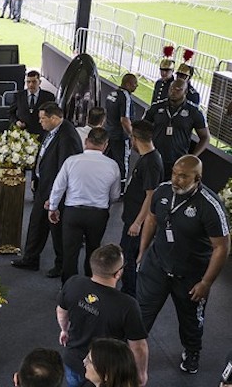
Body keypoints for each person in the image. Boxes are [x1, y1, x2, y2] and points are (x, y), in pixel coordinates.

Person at [136, 155, 230, 375]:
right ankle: (132, 349)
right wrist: (143, 251)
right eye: (174, 174)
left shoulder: (210, 206)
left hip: (191, 276)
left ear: (197, 178)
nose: (176, 180)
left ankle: (192, 351)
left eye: (183, 176)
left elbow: (222, 248)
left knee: (190, 321)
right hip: (157, 266)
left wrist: (206, 282)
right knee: (141, 312)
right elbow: (151, 219)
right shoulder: (162, 191)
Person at [57, 244, 149, 387]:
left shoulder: (73, 283)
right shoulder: (127, 305)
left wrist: (64, 330)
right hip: (105, 370)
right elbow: (138, 347)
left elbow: (61, 311)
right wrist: (141, 374)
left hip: (74, 361)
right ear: (118, 273)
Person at [12, 102, 82, 278]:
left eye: (43, 118)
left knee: (57, 230)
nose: (40, 122)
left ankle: (61, 265)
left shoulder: (67, 137)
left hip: (55, 192)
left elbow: (64, 171)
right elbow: (43, 155)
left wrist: (53, 198)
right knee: (37, 224)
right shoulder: (51, 131)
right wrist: (35, 178)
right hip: (43, 187)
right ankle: (30, 259)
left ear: (54, 118)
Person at [48, 128, 120, 285]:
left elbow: (58, 187)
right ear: (105, 145)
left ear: (87, 141)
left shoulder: (71, 161)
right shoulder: (113, 165)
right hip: (98, 214)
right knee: (94, 251)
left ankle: (68, 287)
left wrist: (53, 208)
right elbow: (115, 195)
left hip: (73, 212)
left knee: (70, 252)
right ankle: (90, 285)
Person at [119, 121, 163, 298]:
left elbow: (151, 195)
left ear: (134, 138)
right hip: (131, 218)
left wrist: (137, 223)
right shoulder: (147, 159)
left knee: (129, 259)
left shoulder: (151, 162)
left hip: (136, 223)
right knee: (126, 255)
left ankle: (129, 295)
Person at [143, 78, 209, 180]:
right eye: (172, 89)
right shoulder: (156, 107)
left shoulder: (194, 112)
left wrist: (192, 157)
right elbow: (141, 128)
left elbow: (205, 137)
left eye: (178, 90)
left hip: (177, 162)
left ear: (185, 92)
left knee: (168, 192)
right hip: (154, 158)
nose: (173, 92)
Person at [104, 74, 138, 183]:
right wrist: (133, 136)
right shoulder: (125, 97)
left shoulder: (111, 94)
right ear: (128, 84)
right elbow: (125, 120)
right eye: (134, 84)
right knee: (122, 163)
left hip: (109, 134)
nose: (136, 86)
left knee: (108, 161)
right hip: (120, 137)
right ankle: (122, 190)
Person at [10, 70, 57, 141]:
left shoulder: (49, 96)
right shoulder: (19, 95)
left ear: (39, 82)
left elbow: (53, 114)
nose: (31, 85)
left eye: (34, 82)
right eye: (28, 82)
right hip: (23, 135)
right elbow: (11, 113)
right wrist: (16, 122)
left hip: (42, 134)